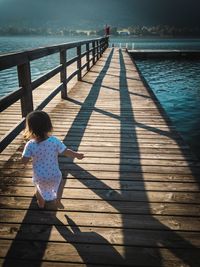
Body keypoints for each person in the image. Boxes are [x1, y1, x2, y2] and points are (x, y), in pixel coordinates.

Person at [22, 110, 84, 208]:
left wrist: (26, 157)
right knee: (60, 183)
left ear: (30, 128)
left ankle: (41, 203)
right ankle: (58, 200)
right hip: (54, 173)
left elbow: (24, 161)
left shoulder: (30, 144)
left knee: (38, 188)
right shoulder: (54, 141)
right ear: (49, 126)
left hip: (39, 175)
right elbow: (65, 151)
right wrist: (76, 155)